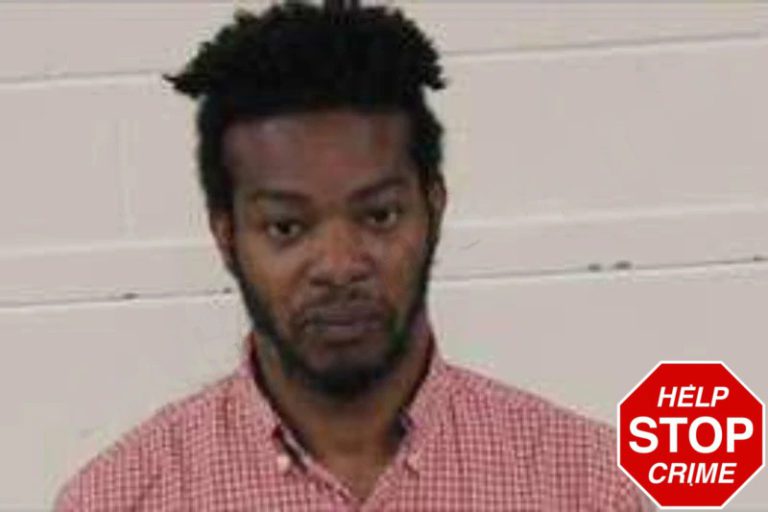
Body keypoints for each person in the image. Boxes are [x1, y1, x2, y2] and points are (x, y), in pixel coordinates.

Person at [55, 1, 650, 510]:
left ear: (433, 209)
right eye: (287, 227)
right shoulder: (122, 498)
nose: (339, 266)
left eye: (379, 216)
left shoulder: (586, 487)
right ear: (226, 236)